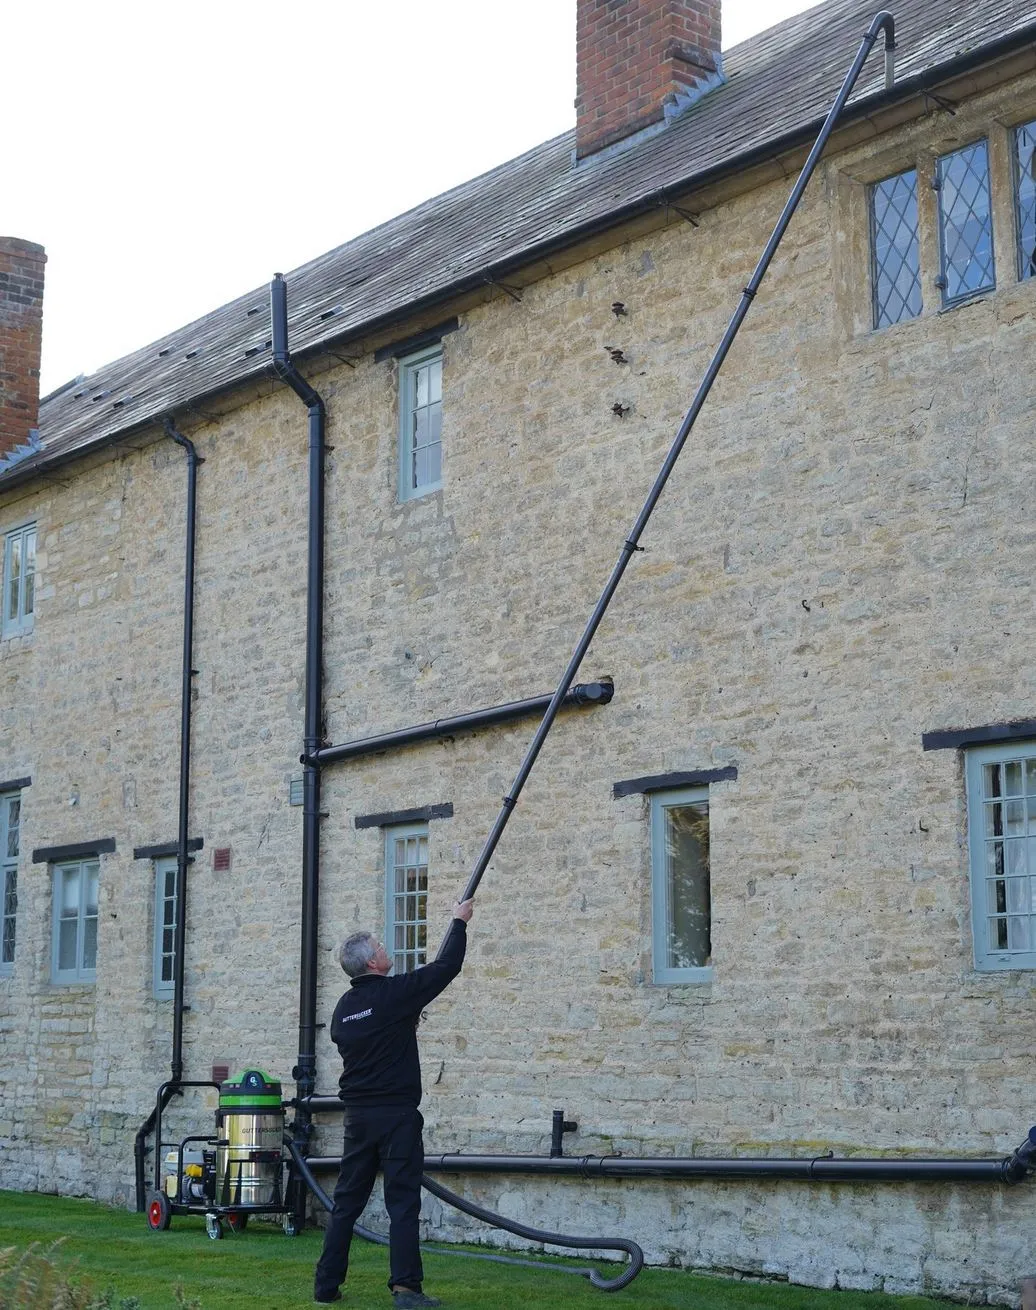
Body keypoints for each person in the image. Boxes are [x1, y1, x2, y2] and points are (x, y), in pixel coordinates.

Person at [314, 898, 474, 1308]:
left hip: (358, 1119)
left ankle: (325, 1286)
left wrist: (405, 1019)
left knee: (347, 1202)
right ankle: (406, 1289)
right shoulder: (392, 995)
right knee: (402, 1202)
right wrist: (459, 921)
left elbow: (374, 1030)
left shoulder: (343, 1011)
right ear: (371, 963)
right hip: (397, 1116)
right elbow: (445, 969)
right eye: (381, 948)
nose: (387, 951)